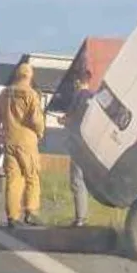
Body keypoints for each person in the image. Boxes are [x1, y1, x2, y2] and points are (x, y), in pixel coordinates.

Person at [0, 62, 46, 227]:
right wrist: (40, 132)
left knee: (13, 180)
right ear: (29, 76)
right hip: (27, 142)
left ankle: (12, 216)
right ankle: (31, 211)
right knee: (31, 176)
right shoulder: (30, 94)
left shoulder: (4, 93)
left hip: (9, 141)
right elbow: (36, 120)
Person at [62, 68, 93, 227]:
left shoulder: (78, 96)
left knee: (76, 180)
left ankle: (80, 218)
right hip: (90, 146)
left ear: (78, 82)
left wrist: (63, 121)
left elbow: (70, 118)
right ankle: (83, 216)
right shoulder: (94, 97)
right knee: (84, 180)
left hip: (77, 143)